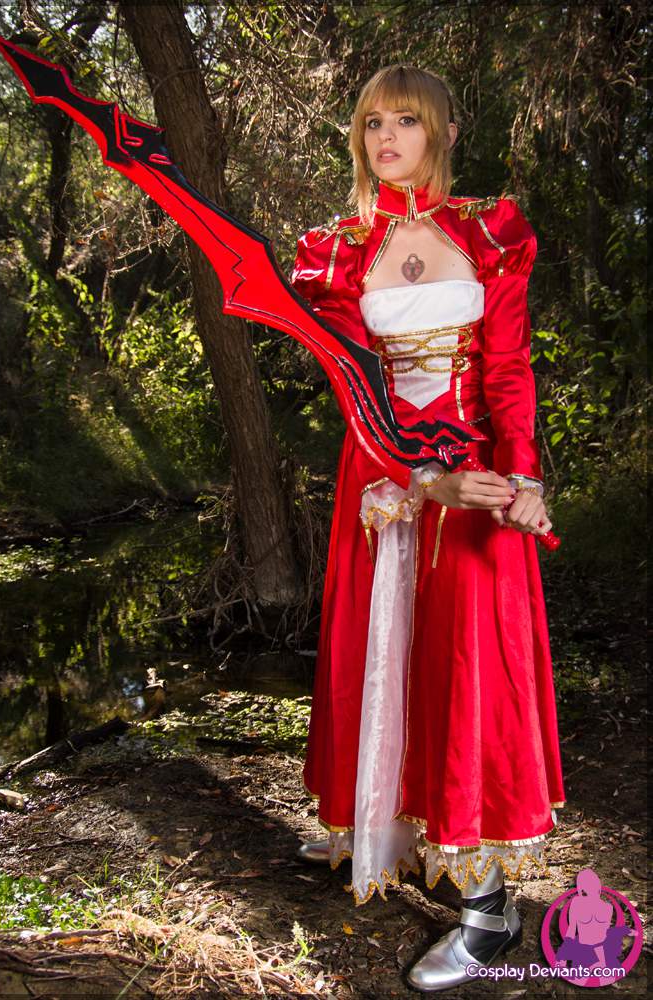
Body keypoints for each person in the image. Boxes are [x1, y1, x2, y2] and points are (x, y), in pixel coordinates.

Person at [290, 65, 565, 992]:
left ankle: (488, 911)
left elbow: (507, 370)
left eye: (406, 121)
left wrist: (521, 479)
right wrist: (419, 477)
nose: (386, 138)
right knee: (381, 661)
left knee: (463, 678)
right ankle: (392, 826)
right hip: (384, 480)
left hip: (476, 491)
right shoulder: (336, 252)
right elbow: (355, 392)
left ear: (442, 132)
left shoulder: (490, 233)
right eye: (373, 123)